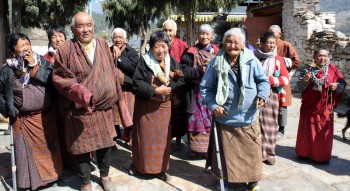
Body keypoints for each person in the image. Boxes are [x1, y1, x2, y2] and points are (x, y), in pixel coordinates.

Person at [53, 12, 132, 191]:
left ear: (93, 26)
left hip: (104, 109)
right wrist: (80, 93)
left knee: (105, 145)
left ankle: (104, 176)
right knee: (82, 149)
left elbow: (111, 71)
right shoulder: (65, 50)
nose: (86, 29)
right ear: (73, 29)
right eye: (81, 26)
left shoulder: (103, 44)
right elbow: (59, 77)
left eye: (89, 25)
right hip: (80, 111)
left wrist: (117, 96)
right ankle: (85, 182)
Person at [201, 28, 270, 191]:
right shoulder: (215, 63)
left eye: (236, 42)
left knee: (251, 152)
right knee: (226, 156)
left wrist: (262, 95)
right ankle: (224, 178)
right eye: (229, 41)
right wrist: (213, 106)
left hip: (248, 116)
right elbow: (205, 88)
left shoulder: (251, 61)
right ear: (223, 44)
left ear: (243, 44)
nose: (232, 45)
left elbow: (263, 81)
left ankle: (252, 181)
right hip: (224, 117)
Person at [0, 33, 63, 190]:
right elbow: (1, 93)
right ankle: (29, 182)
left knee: (48, 149)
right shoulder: (7, 68)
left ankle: (51, 177)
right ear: (12, 50)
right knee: (24, 153)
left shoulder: (42, 61)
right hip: (22, 120)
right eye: (21, 46)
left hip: (44, 117)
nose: (26, 48)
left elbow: (53, 81)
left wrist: (35, 66)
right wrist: (9, 109)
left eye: (28, 44)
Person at [130, 31, 184, 181]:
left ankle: (160, 168)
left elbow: (181, 79)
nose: (161, 50)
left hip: (163, 108)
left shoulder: (170, 60)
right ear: (151, 48)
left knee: (162, 140)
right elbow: (136, 84)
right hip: (146, 108)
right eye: (157, 46)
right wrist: (155, 90)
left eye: (164, 46)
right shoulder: (144, 61)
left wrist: (170, 87)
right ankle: (140, 166)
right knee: (145, 138)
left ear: (168, 46)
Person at [296, 48, 346, 164]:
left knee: (321, 135)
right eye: (319, 56)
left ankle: (320, 156)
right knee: (306, 133)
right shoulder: (307, 70)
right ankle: (304, 153)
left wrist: (337, 86)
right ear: (314, 57)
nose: (322, 58)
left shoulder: (333, 70)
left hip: (324, 109)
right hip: (309, 108)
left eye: (325, 56)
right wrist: (304, 81)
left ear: (328, 57)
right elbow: (299, 88)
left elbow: (342, 84)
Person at [181, 24, 220, 157]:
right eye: (202, 34)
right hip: (195, 92)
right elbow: (184, 71)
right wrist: (199, 71)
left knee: (210, 119)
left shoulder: (218, 52)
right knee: (194, 120)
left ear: (211, 36)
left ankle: (208, 150)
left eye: (207, 34)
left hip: (212, 92)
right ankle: (194, 149)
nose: (204, 36)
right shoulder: (191, 52)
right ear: (198, 35)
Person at [254, 32, 289, 165]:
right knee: (255, 123)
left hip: (271, 96)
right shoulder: (253, 57)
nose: (272, 45)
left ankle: (269, 154)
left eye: (274, 43)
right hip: (254, 95)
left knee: (270, 124)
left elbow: (285, 79)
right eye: (269, 42)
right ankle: (256, 153)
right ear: (262, 43)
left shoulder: (278, 60)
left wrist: (266, 80)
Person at [269, 25, 300, 137]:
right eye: (269, 32)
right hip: (270, 79)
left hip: (282, 78)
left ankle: (281, 129)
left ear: (279, 34)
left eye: (273, 32)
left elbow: (296, 62)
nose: (271, 34)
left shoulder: (286, 45)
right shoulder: (267, 44)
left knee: (282, 105)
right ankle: (270, 126)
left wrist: (282, 61)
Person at [162, 19, 188, 149]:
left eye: (170, 30)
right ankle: (166, 139)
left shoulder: (182, 46)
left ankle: (178, 140)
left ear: (175, 32)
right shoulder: (159, 44)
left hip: (177, 86)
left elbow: (186, 65)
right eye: (165, 30)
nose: (167, 33)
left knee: (178, 113)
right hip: (163, 85)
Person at [110, 28, 139, 143]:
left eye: (120, 37)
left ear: (125, 39)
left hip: (127, 89)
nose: (118, 40)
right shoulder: (107, 51)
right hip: (112, 90)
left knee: (129, 115)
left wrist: (119, 58)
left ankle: (132, 139)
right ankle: (114, 140)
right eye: (115, 37)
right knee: (113, 116)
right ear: (112, 39)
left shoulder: (131, 52)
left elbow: (133, 69)